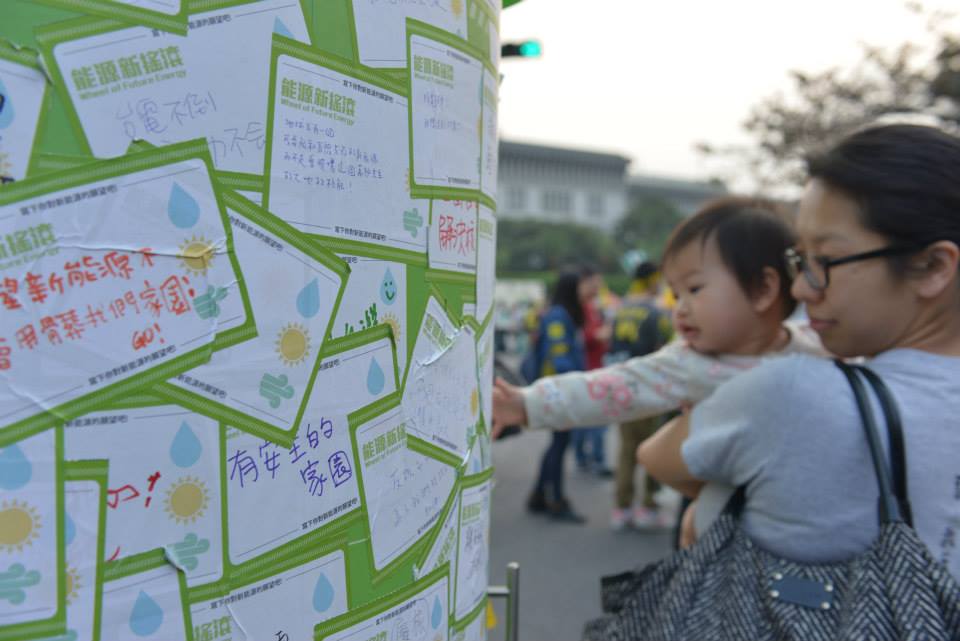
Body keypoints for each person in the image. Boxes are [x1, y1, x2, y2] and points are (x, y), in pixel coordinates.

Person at [639, 124, 960, 581]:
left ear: (932, 267)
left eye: (823, 262)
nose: (800, 288)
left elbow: (657, 457)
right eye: (799, 260)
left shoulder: (793, 393)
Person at [492, 197, 826, 477]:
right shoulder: (689, 363)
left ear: (763, 289)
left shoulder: (817, 348)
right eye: (676, 293)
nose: (678, 309)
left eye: (694, 289)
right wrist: (527, 403)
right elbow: (610, 388)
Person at [607, 261, 676, 530]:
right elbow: (666, 347)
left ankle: (622, 508)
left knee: (626, 450)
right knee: (651, 449)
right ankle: (648, 504)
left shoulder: (621, 309)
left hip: (621, 384)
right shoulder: (656, 311)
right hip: (649, 387)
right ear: (652, 279)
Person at [526, 268, 588, 523]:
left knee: (558, 443)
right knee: (560, 443)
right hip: (558, 390)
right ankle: (555, 499)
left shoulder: (560, 314)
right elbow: (559, 356)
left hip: (558, 387)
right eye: (584, 285)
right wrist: (574, 387)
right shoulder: (558, 316)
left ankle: (540, 495)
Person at [570, 264, 614, 477]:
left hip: (594, 370)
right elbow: (586, 337)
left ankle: (586, 458)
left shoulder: (592, 307)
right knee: (596, 420)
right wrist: (602, 334)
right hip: (589, 372)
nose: (598, 287)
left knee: (588, 420)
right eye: (595, 283)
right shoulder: (581, 309)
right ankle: (594, 459)